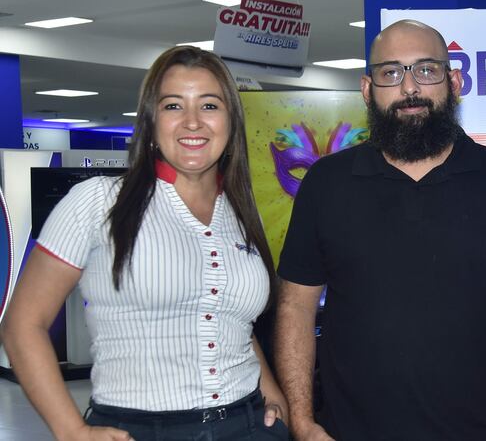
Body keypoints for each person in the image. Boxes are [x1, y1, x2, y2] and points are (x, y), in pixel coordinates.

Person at [0, 46, 289, 441]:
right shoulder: (99, 201)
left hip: (249, 424)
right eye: (173, 106)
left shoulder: (239, 213)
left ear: (230, 121)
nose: (192, 122)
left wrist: (271, 392)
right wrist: (71, 430)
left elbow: (229, 318)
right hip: (139, 430)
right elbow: (22, 324)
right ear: (151, 120)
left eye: (209, 105)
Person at [274, 19, 486, 441]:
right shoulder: (327, 183)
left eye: (426, 70)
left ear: (453, 82)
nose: (409, 88)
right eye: (391, 73)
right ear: (367, 89)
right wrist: (303, 422)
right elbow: (295, 309)